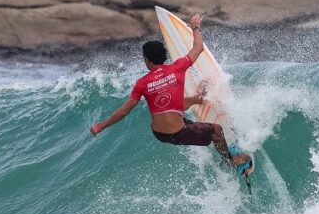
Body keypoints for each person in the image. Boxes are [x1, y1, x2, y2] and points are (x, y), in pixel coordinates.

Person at [90, 13, 253, 176]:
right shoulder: (177, 68)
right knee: (217, 130)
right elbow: (198, 48)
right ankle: (230, 161)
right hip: (177, 132)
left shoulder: (142, 82)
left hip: (159, 133)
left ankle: (198, 99)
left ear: (147, 60)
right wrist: (195, 26)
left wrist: (101, 126)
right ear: (164, 56)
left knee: (176, 102)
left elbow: (124, 111)